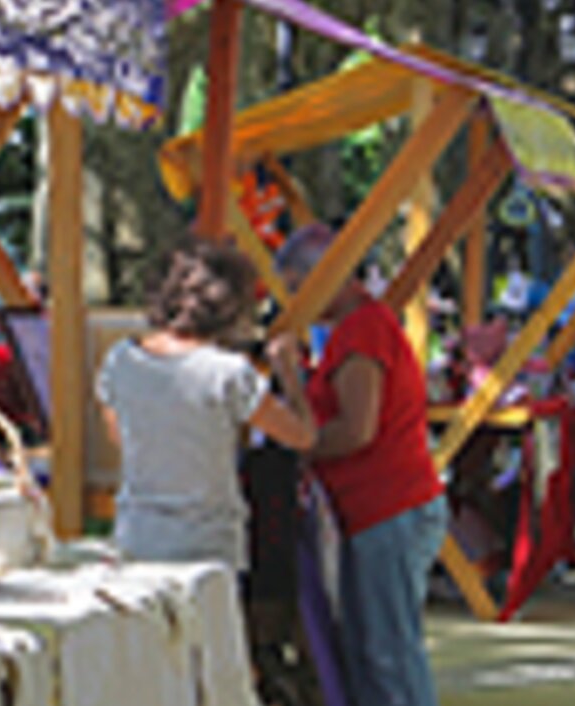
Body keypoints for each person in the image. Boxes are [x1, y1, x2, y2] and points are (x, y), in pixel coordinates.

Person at [275, 223, 448, 706]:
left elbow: (356, 429)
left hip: (387, 509)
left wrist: (294, 408)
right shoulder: (354, 330)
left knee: (388, 655)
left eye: (296, 287)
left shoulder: (363, 331)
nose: (294, 301)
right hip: (376, 512)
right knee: (370, 650)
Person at [96, 241, 316, 571]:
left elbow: (119, 436)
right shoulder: (228, 373)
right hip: (208, 547)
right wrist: (288, 371)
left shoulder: (121, 361)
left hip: (138, 537)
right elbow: (302, 435)